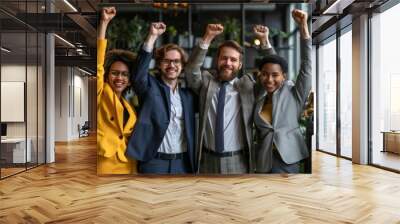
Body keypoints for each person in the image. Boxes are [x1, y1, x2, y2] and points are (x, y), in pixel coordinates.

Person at [185, 24, 274, 174]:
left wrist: (265, 41)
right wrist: (207, 37)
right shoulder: (206, 84)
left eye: (233, 60)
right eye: (224, 58)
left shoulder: (249, 87)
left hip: (238, 161)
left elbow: (272, 71)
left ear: (239, 65)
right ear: (217, 60)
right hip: (206, 160)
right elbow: (191, 69)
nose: (228, 63)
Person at [125, 22, 197, 174]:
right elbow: (138, 75)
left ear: (182, 66)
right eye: (166, 61)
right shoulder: (149, 87)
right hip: (154, 162)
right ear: (158, 64)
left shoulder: (188, 96)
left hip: (183, 163)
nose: (172, 65)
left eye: (176, 61)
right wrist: (152, 36)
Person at [253, 9, 312, 173]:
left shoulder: (293, 93)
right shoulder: (259, 95)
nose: (269, 79)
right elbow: (273, 64)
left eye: (275, 75)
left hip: (288, 160)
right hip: (263, 161)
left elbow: (306, 66)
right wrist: (264, 41)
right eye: (264, 75)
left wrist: (303, 27)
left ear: (284, 76)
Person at [97, 7, 138, 174]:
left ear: (129, 81)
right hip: (105, 162)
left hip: (127, 163)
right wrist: (104, 23)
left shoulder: (129, 106)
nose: (119, 78)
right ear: (107, 76)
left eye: (124, 75)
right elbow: (98, 65)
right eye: (114, 73)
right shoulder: (101, 93)